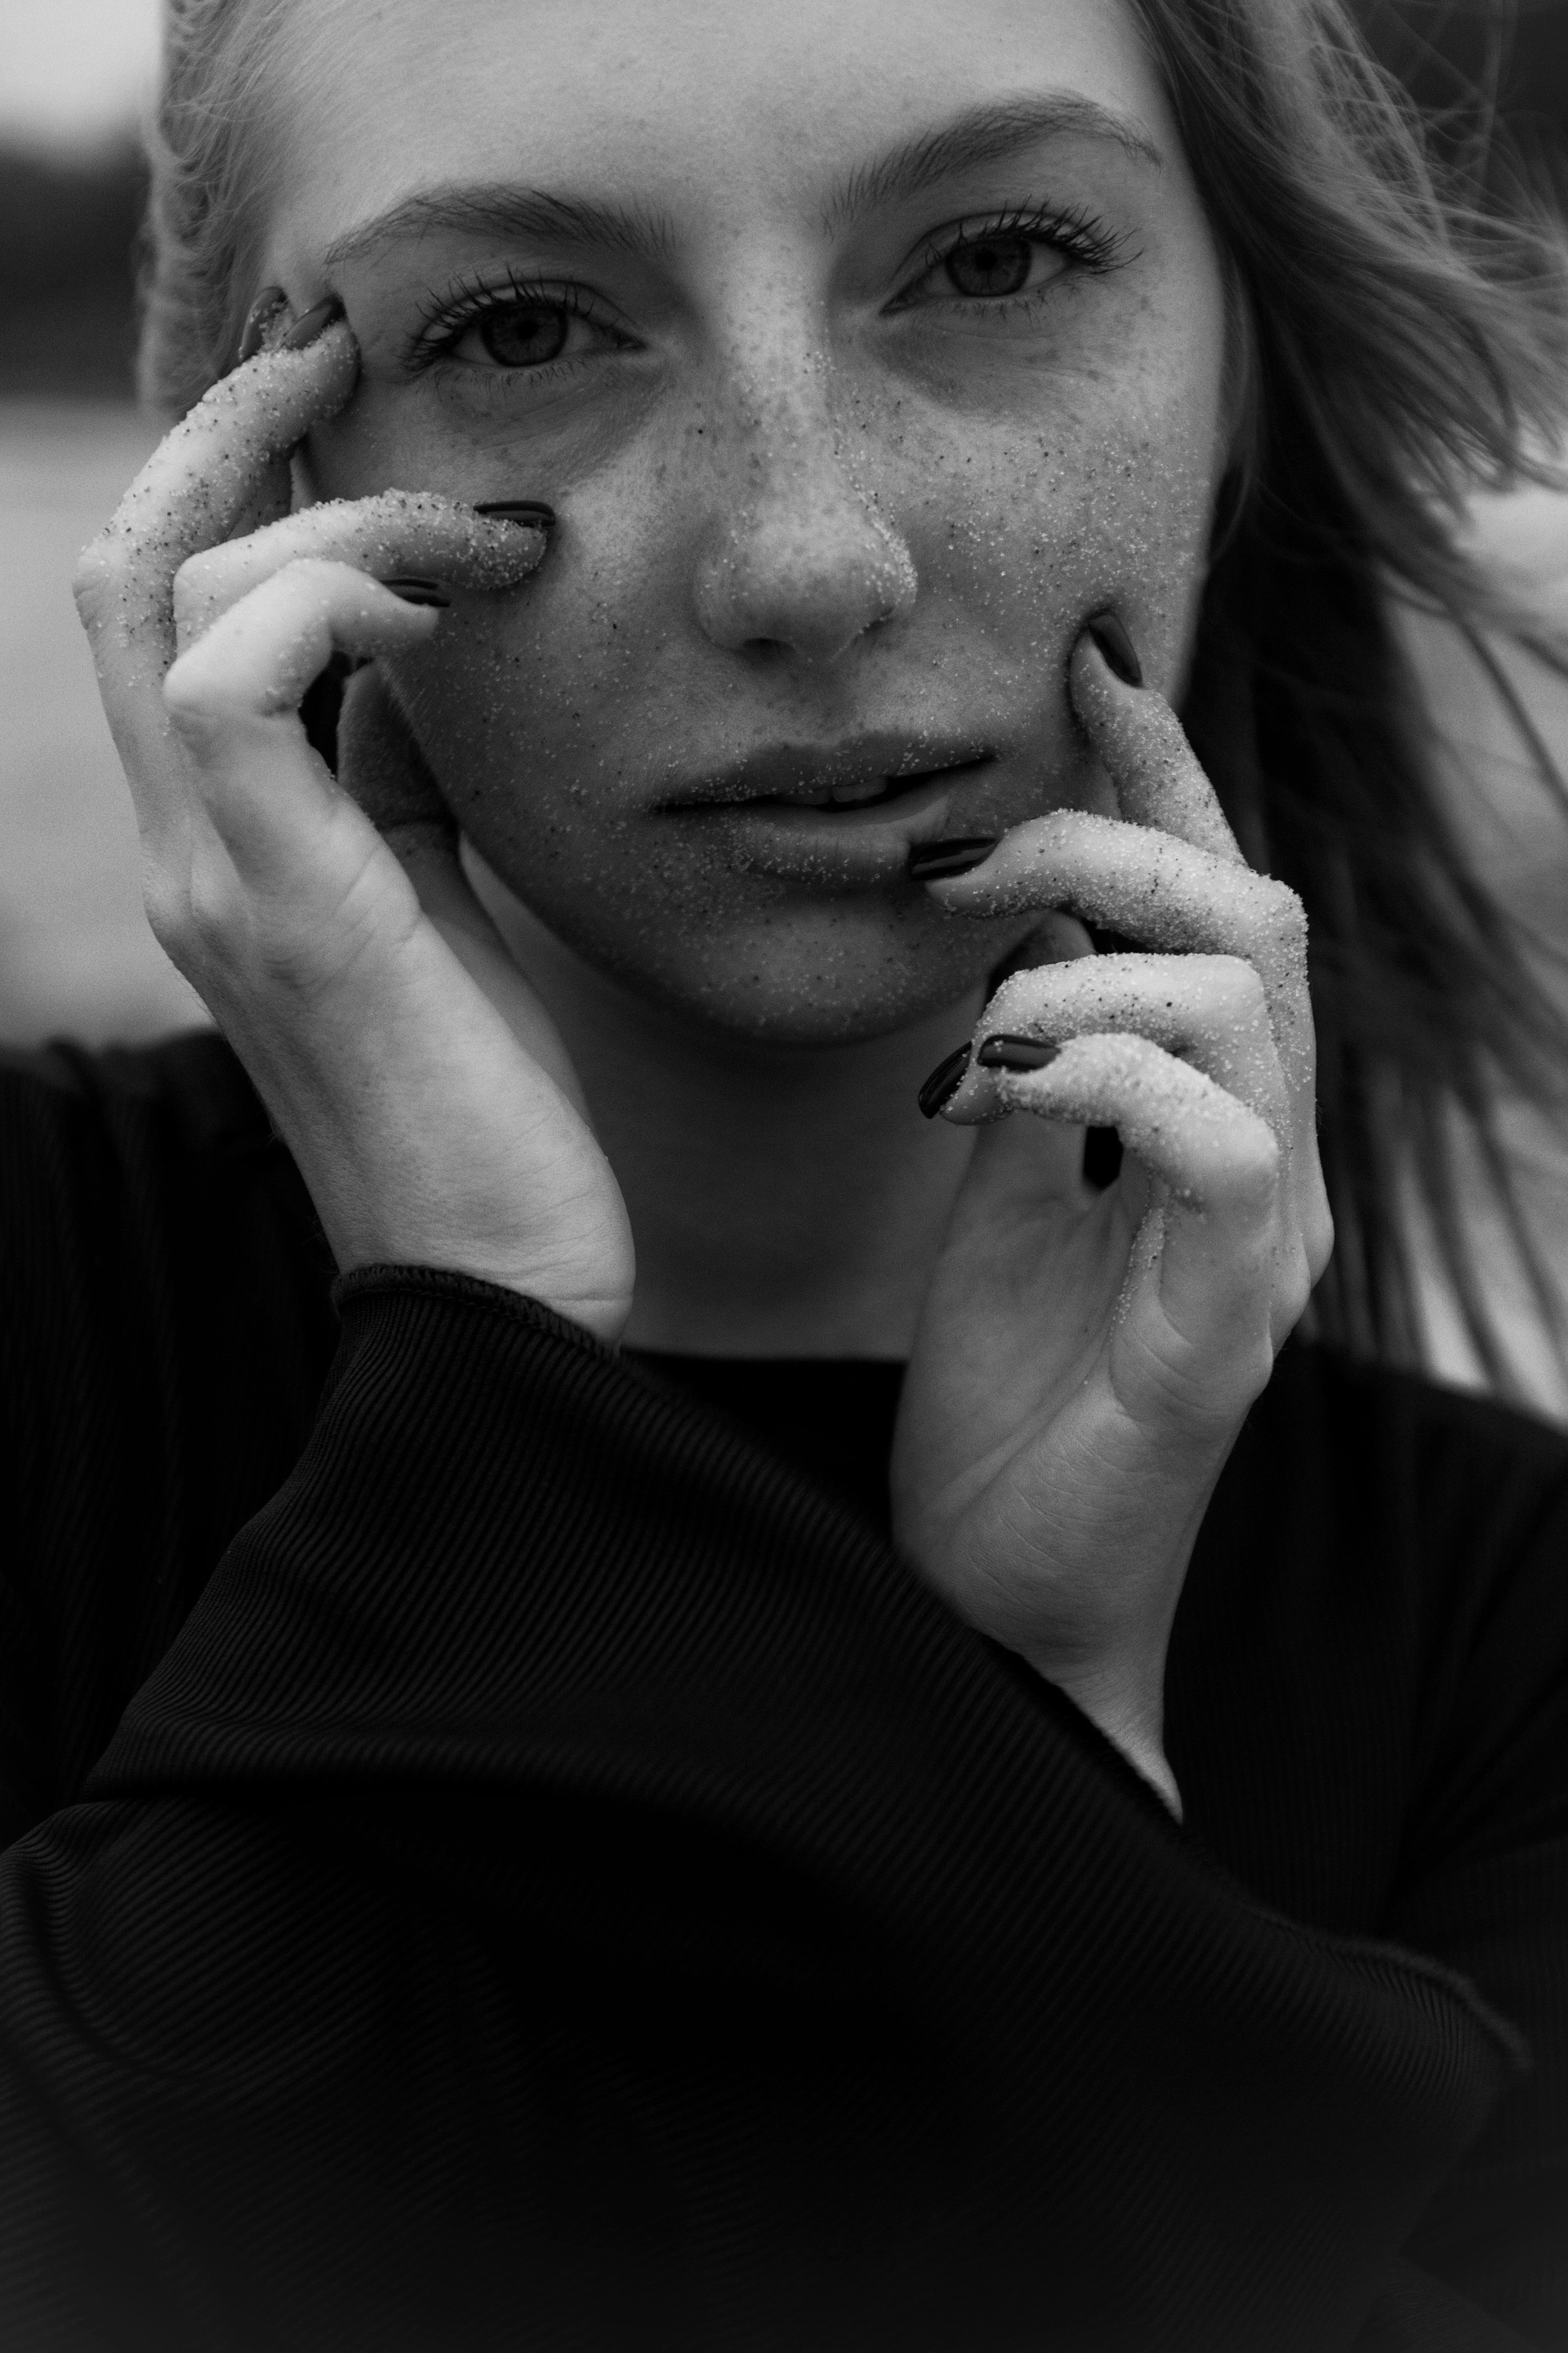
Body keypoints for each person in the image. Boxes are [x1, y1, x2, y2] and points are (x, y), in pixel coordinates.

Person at [2, 0, 1566, 2344]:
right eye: (521, 324)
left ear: (1242, 371)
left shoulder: (1518, 1647)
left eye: (996, 262)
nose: (810, 558)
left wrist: (1041, 1730)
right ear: (249, 483)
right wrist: (487, 1377)